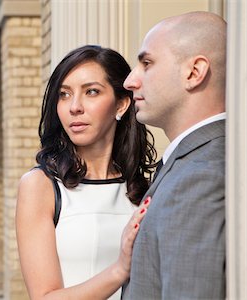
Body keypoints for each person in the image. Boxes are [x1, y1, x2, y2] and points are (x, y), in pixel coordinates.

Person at [16, 45, 156, 299]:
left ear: (122, 104)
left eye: (91, 92)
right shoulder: (41, 186)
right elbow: (44, 297)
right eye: (64, 94)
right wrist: (118, 271)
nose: (74, 107)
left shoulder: (143, 188)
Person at [122, 11, 226, 299]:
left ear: (194, 73)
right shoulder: (192, 162)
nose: (130, 81)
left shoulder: (199, 177)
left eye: (146, 63)